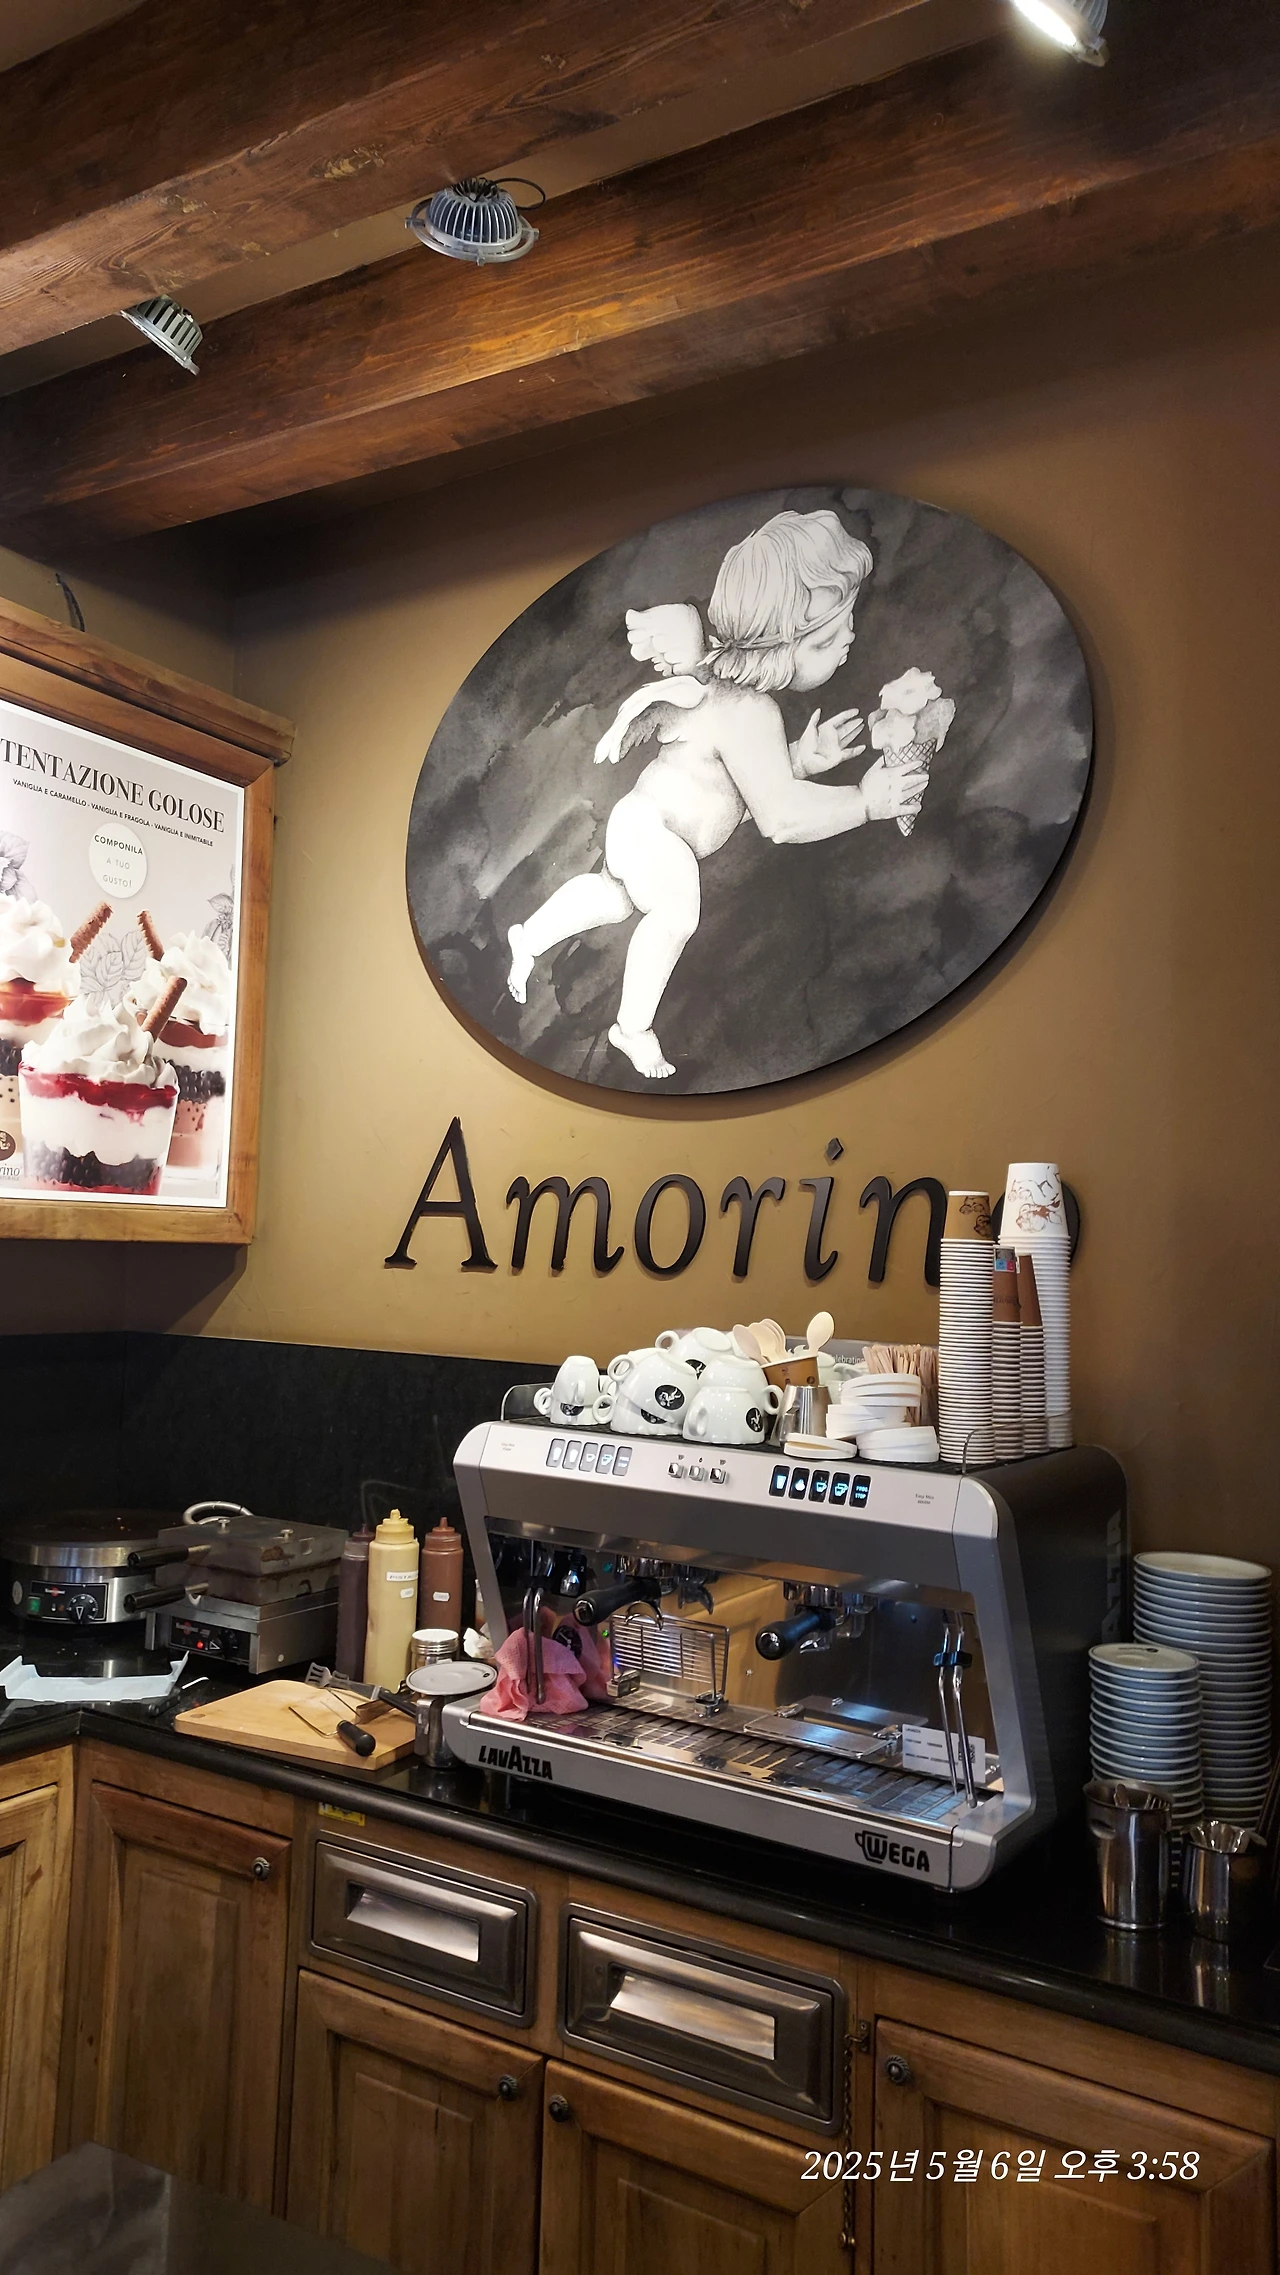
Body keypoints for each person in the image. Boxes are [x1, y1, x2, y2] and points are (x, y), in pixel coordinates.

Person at [506, 509, 931, 1079]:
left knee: (615, 898)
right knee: (677, 913)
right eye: (828, 637)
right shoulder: (751, 711)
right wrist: (863, 802)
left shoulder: (732, 700)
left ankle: (528, 937)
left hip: (641, 827)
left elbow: (745, 789)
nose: (849, 640)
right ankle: (631, 1030)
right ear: (779, 644)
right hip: (655, 831)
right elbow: (780, 818)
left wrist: (800, 762)